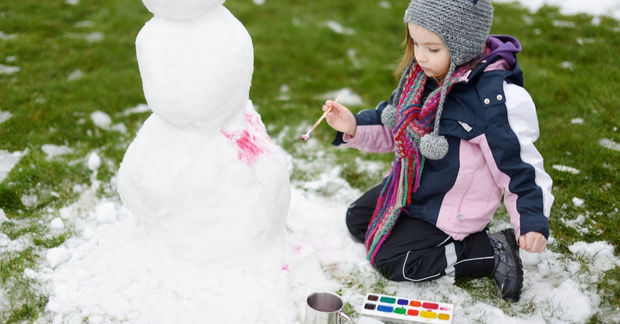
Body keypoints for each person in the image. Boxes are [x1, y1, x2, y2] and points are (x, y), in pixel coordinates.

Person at [322, 0, 553, 301]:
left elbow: (518, 167)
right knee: (358, 220)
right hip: (412, 187)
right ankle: (411, 225)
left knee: (393, 260)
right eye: (416, 43)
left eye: (432, 49)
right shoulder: (419, 81)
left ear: (463, 45)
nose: (420, 56)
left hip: (450, 209)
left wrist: (532, 220)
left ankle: (488, 250)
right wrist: (351, 124)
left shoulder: (492, 101)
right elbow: (395, 125)